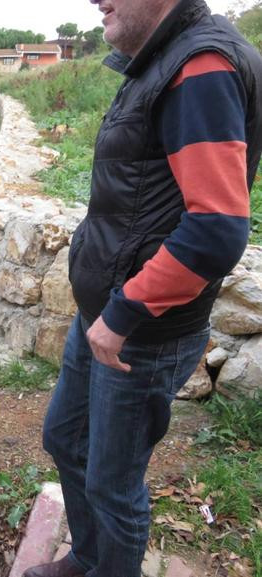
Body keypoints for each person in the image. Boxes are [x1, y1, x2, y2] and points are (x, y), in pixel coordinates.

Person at [29, 1, 262, 576]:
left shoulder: (201, 65)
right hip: (106, 314)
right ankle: (87, 556)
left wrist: (124, 312)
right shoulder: (160, 60)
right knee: (65, 438)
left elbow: (215, 230)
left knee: (113, 482)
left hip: (139, 333)